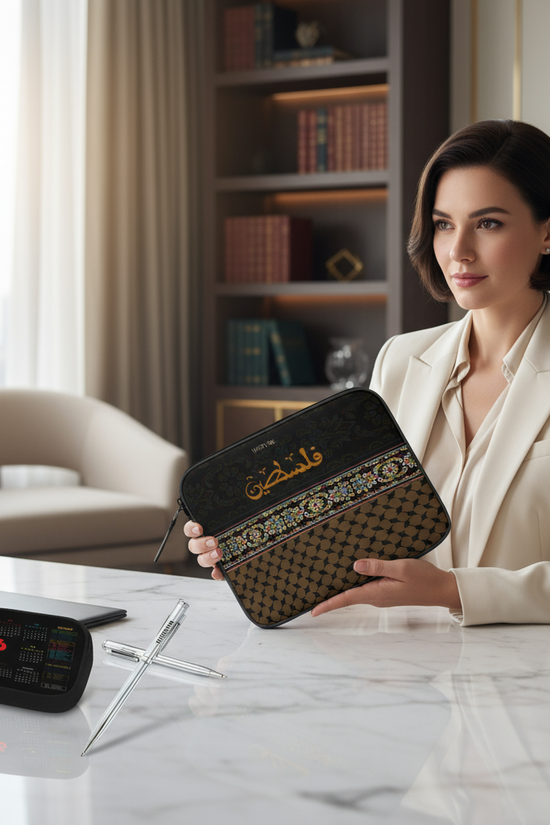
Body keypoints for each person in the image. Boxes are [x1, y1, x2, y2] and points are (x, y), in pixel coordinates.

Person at [185, 119, 550, 626]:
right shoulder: (400, 361)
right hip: (396, 673)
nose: (458, 250)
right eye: (444, 223)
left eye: (488, 223)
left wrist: (452, 591)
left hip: (528, 684)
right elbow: (358, 531)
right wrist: (259, 548)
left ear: (547, 231)